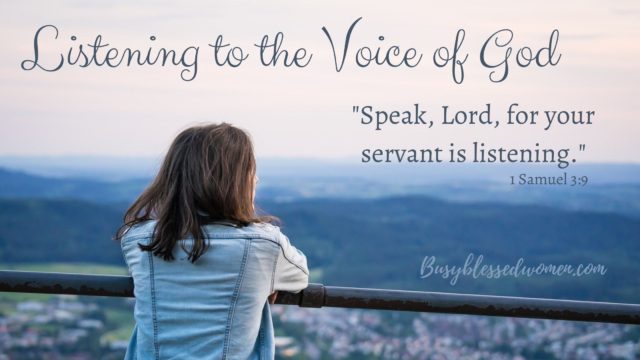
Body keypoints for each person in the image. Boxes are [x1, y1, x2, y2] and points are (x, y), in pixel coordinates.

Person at [113, 122, 309, 359]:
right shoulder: (265, 246)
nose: (256, 179)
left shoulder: (137, 239)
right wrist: (265, 279)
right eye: (251, 171)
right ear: (237, 182)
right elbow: (300, 276)